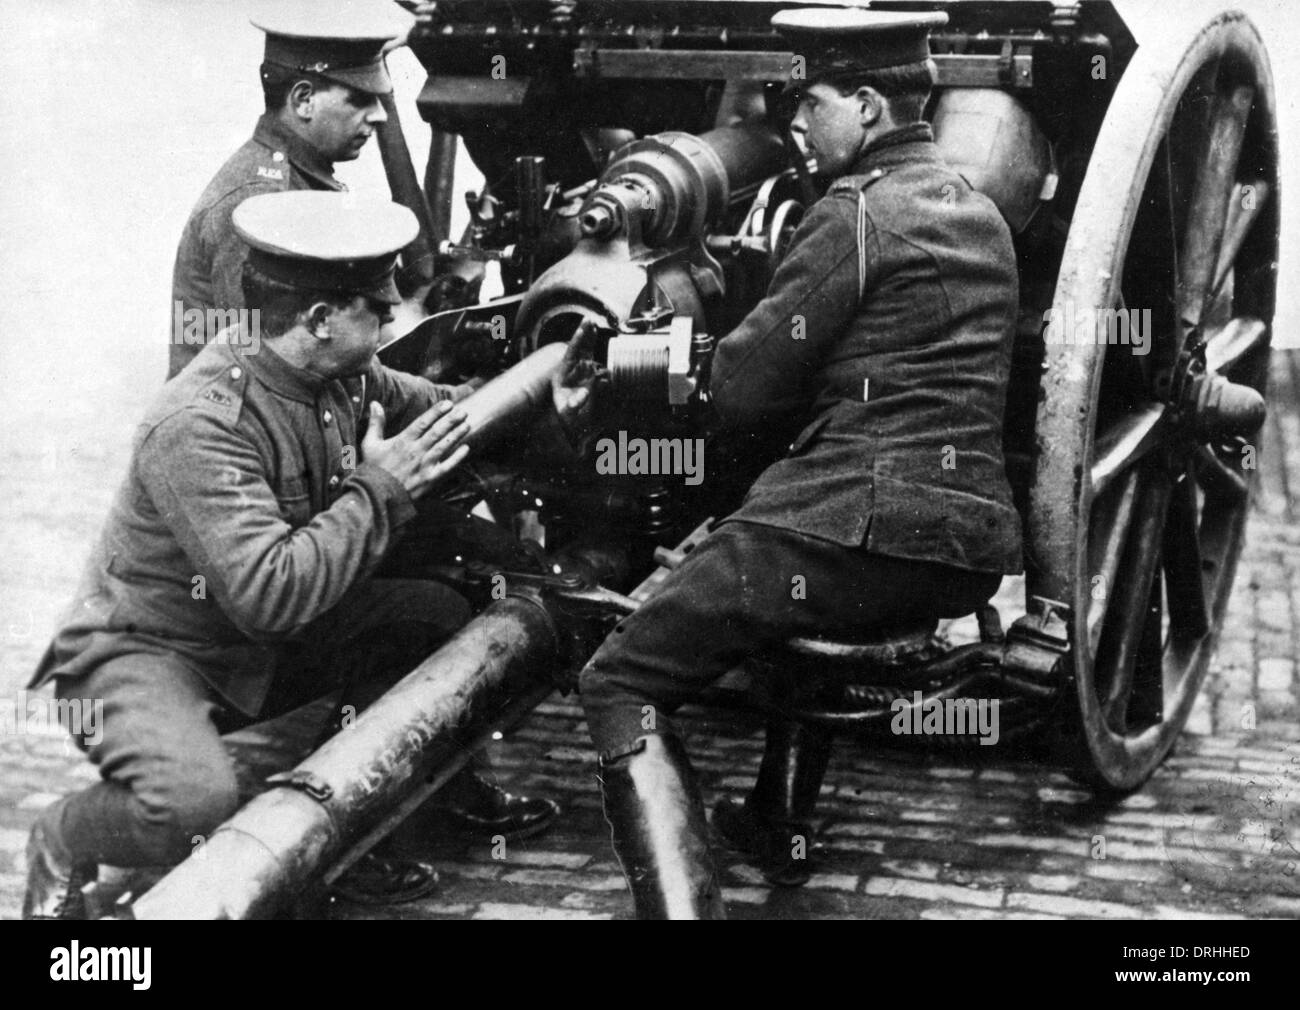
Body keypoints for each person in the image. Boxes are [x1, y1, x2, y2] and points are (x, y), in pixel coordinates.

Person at [24, 191, 595, 918]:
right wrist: (381, 486)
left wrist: (553, 400)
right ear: (321, 320)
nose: (393, 319)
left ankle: (348, 826)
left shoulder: (341, 375)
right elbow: (272, 594)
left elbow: (450, 415)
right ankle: (64, 834)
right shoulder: (201, 424)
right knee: (193, 804)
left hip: (248, 645)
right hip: (141, 658)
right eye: (378, 309)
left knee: (434, 616)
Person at [576, 8, 1024, 919]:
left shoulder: (853, 215)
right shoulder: (978, 212)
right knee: (765, 573)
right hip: (960, 551)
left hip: (850, 533)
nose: (798, 123)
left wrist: (649, 356)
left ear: (863, 106)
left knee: (618, 678)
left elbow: (739, 394)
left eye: (812, 102)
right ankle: (774, 817)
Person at [168, 4, 411, 379]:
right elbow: (260, 365)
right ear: (303, 100)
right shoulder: (257, 204)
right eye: (361, 99)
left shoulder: (300, 178)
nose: (379, 115)